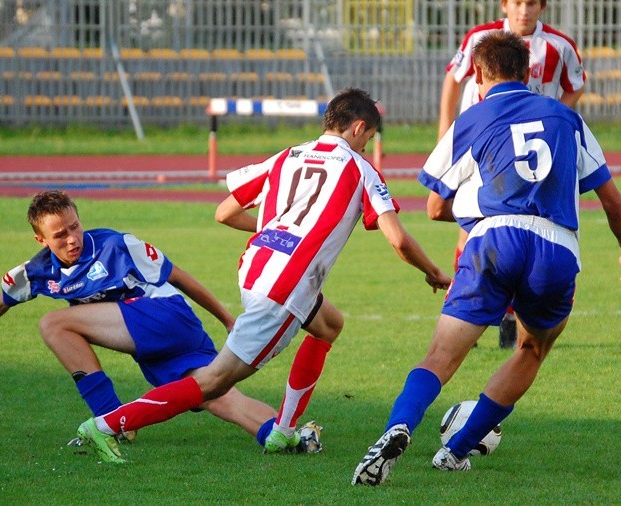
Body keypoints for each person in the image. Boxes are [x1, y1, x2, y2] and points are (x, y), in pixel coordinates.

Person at [74, 87, 452, 464]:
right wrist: (433, 271)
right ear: (358, 127)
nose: (366, 148)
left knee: (329, 324)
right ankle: (106, 425)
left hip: (256, 269)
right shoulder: (360, 170)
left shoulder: (286, 156)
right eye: (367, 140)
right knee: (214, 381)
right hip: (285, 286)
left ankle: (283, 431)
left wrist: (276, 227)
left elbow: (224, 212)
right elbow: (398, 239)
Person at [352, 31, 621, 486]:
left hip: (493, 242)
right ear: (528, 74)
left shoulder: (474, 116)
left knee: (439, 359)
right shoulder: (567, 118)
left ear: (480, 76)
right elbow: (614, 203)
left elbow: (433, 205)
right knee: (531, 349)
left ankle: (398, 427)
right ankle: (456, 450)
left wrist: (483, 210)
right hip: (556, 248)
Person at [0, 190, 296, 450]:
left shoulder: (116, 244)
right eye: (59, 235)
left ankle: (111, 422)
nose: (71, 238)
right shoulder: (38, 270)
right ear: (41, 239)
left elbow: (178, 276)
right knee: (210, 394)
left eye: (74, 226)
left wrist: (227, 319)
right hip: (154, 340)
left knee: (55, 323)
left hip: (167, 318)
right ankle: (284, 433)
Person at [439, 0, 586, 349]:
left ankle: (509, 318)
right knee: (470, 232)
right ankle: (465, 312)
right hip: (485, 146)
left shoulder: (560, 46)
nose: (524, 11)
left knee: (521, 233)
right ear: (504, 5)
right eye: (517, 3)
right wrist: (447, 134)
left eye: (531, 3)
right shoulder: (481, 37)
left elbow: (576, 84)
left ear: (542, 7)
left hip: (532, 155)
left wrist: (554, 117)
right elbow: (452, 79)